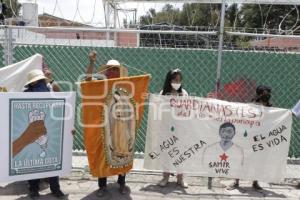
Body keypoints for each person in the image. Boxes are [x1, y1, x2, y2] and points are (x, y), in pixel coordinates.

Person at [85, 51, 128, 197]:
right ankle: (102, 186)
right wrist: (91, 62)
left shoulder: (127, 84)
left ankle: (121, 183)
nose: (112, 71)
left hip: (120, 124)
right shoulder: (99, 83)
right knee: (102, 154)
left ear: (119, 71)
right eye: (110, 69)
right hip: (102, 126)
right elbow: (87, 79)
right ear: (106, 71)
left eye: (115, 69)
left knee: (122, 152)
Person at [24, 69, 66, 199]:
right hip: (32, 130)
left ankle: (55, 188)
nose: (42, 83)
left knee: (52, 160)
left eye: (43, 81)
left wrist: (51, 81)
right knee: (33, 161)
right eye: (40, 81)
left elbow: (64, 98)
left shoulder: (50, 90)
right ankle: (34, 189)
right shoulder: (25, 94)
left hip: (50, 129)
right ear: (34, 82)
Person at [227, 85, 272, 191]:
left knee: (259, 161)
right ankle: (236, 181)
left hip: (261, 139)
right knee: (243, 159)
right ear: (259, 94)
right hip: (249, 138)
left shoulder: (271, 109)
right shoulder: (251, 107)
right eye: (265, 93)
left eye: (268, 93)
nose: (267, 95)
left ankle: (255, 181)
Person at [158, 68, 188, 188]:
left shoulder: (184, 93)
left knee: (180, 152)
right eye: (175, 80)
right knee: (166, 152)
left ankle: (180, 178)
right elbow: (159, 110)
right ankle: (165, 177)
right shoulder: (163, 94)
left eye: (179, 80)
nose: (177, 82)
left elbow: (187, 110)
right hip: (166, 127)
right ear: (169, 80)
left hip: (180, 128)